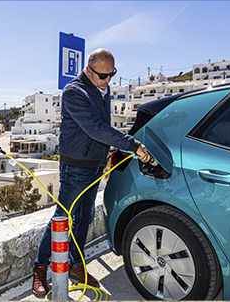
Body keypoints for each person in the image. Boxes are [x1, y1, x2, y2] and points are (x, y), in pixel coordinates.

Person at [32, 48, 153, 295]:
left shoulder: (103, 89)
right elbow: (95, 127)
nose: (108, 81)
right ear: (88, 70)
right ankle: (40, 267)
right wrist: (132, 145)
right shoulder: (73, 92)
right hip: (75, 166)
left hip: (96, 165)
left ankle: (76, 266)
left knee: (85, 219)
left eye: (112, 75)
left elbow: (104, 127)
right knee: (61, 219)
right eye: (103, 76)